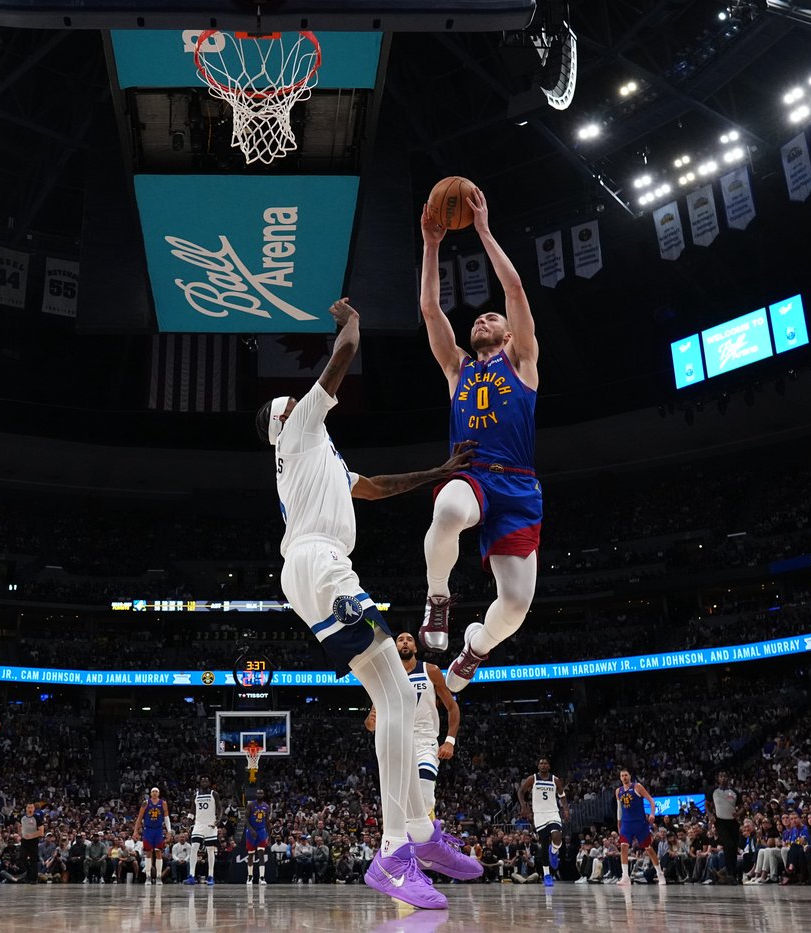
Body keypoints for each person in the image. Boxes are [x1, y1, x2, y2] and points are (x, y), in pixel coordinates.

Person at [256, 297, 483, 910]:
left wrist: (436, 471)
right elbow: (344, 358)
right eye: (292, 402)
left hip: (316, 567)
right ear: (283, 422)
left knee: (398, 701)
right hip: (320, 562)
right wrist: (351, 325)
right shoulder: (298, 433)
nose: (301, 401)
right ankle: (394, 851)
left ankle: (419, 835)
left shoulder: (323, 458)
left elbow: (376, 487)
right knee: (395, 700)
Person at [414, 192, 542, 690]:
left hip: (519, 487)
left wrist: (484, 230)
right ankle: (438, 598)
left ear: (510, 336)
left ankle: (476, 647)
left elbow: (515, 290)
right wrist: (431, 245)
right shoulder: (457, 368)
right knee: (447, 510)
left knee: (516, 605)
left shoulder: (522, 361)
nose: (482, 320)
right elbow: (430, 310)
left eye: (492, 318)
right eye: (477, 319)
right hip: (471, 474)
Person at [363, 632, 462, 821]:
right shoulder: (387, 678)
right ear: (395, 648)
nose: (405, 642)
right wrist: (370, 720)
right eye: (400, 640)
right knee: (400, 802)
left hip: (425, 741)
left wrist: (450, 740)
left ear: (415, 648)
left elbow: (452, 707)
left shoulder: (430, 670)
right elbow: (370, 725)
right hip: (397, 742)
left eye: (409, 640)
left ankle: (428, 830)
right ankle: (416, 833)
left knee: (425, 795)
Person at [519, 758, 568, 887]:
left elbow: (562, 795)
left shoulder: (555, 780)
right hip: (539, 814)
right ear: (538, 766)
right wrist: (523, 805)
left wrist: (566, 809)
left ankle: (554, 851)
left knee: (557, 836)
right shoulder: (533, 778)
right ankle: (547, 875)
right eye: (541, 763)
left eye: (545, 763)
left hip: (553, 812)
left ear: (549, 766)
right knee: (544, 845)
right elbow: (521, 791)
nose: (543, 765)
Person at [614, 769, 666, 885]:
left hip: (640, 822)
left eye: (626, 775)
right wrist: (619, 822)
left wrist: (652, 814)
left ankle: (660, 873)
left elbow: (651, 801)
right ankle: (625, 876)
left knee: (648, 848)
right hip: (626, 823)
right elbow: (619, 809)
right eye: (622, 776)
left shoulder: (637, 787)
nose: (624, 777)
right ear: (620, 778)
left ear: (630, 776)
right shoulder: (618, 791)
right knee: (623, 847)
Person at [132, 787, 171, 885]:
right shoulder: (145, 803)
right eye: (153, 791)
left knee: (158, 852)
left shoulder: (163, 803)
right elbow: (139, 818)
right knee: (148, 853)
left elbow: (166, 818)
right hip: (148, 830)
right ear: (150, 793)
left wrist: (169, 831)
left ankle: (158, 877)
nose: (154, 793)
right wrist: (135, 831)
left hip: (158, 830)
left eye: (156, 791)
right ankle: (148, 877)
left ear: (159, 793)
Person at [186, 775, 220, 885]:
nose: (204, 782)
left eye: (206, 781)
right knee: (194, 847)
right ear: (200, 783)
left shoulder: (214, 794)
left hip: (210, 824)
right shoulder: (195, 795)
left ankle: (211, 876)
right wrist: (188, 824)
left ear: (209, 783)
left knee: (210, 850)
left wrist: (218, 820)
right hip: (198, 824)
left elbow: (220, 809)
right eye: (202, 781)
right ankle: (191, 875)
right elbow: (192, 811)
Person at [710, 771, 742, 883]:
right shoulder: (713, 791)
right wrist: (710, 815)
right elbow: (707, 804)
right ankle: (728, 873)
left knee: (733, 847)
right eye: (721, 776)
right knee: (728, 844)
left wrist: (738, 813)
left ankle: (729, 874)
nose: (723, 778)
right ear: (718, 778)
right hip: (720, 821)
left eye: (725, 776)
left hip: (732, 822)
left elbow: (742, 806)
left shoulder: (734, 792)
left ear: (728, 778)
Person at [243, 793, 270, 884]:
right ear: (256, 794)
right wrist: (251, 830)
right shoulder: (251, 804)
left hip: (261, 831)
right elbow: (246, 819)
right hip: (251, 831)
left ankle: (262, 877)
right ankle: (250, 876)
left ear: (263, 795)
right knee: (250, 854)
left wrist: (269, 835)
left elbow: (267, 821)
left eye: (261, 793)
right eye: (258, 793)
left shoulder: (266, 806)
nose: (260, 794)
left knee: (261, 854)